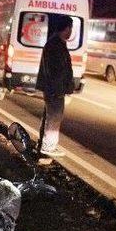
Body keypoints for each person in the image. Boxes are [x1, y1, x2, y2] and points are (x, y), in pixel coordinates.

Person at [35, 15, 74, 158]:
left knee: (49, 117)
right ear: (67, 28)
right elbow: (57, 71)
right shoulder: (56, 45)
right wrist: (61, 91)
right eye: (71, 28)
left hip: (53, 89)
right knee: (54, 118)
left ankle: (43, 145)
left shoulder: (55, 43)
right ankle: (48, 146)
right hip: (55, 90)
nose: (71, 32)